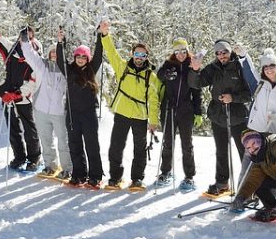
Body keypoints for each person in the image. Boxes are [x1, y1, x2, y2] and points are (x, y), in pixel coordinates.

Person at [97, 20, 162, 191]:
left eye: (143, 56)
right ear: (132, 54)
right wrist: (105, 34)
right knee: (116, 147)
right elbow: (111, 52)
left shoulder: (151, 76)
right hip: (121, 114)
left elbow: (154, 101)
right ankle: (115, 178)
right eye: (137, 54)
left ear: (147, 57)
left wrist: (153, 121)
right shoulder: (123, 68)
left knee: (140, 150)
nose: (139, 58)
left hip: (140, 117)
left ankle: (137, 179)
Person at [191, 39, 254, 197]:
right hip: (218, 116)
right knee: (221, 151)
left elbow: (250, 93)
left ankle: (248, 184)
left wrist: (233, 98)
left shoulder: (239, 67)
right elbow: (196, 83)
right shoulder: (213, 68)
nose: (221, 55)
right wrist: (195, 69)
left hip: (238, 117)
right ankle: (222, 183)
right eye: (218, 53)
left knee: (245, 151)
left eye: (224, 52)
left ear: (230, 51)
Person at [0, 1, 42, 172]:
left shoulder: (36, 53)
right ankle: (19, 156)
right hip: (7, 95)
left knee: (29, 128)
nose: (25, 37)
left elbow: (34, 81)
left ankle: (34, 157)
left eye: (28, 35)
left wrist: (17, 95)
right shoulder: (11, 50)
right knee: (13, 129)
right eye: (23, 34)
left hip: (24, 97)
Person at [153, 38, 202, 191]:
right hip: (169, 108)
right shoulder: (169, 65)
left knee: (187, 144)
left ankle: (189, 176)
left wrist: (198, 112)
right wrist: (166, 74)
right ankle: (165, 172)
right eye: (177, 51)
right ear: (173, 52)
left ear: (187, 51)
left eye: (183, 51)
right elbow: (159, 75)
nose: (180, 54)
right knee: (168, 142)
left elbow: (197, 91)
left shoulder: (191, 66)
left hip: (186, 110)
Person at [21, 30, 71, 179]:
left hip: (59, 112)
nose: (54, 54)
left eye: (57, 52)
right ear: (48, 54)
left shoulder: (66, 71)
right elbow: (30, 54)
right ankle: (50, 165)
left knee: (63, 141)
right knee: (46, 140)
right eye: (52, 52)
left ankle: (68, 168)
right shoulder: (42, 66)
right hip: (41, 110)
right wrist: (25, 40)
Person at [58, 29, 104, 188]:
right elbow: (59, 60)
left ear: (87, 58)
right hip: (72, 114)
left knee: (92, 145)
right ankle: (79, 174)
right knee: (74, 144)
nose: (81, 59)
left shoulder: (91, 70)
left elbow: (98, 54)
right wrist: (60, 43)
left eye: (84, 56)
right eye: (78, 56)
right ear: (75, 57)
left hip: (89, 113)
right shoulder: (69, 70)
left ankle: (95, 176)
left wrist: (100, 35)